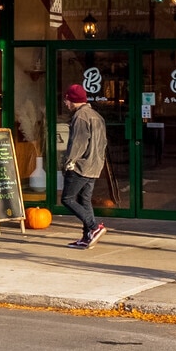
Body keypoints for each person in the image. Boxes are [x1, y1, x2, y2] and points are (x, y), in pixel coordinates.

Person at [60, 84, 108, 249]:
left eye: (66, 100)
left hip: (81, 166)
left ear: (73, 100)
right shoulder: (96, 116)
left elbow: (78, 144)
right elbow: (103, 143)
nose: (66, 103)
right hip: (95, 166)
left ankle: (94, 227)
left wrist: (68, 162)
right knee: (84, 200)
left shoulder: (80, 117)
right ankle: (87, 237)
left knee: (67, 199)